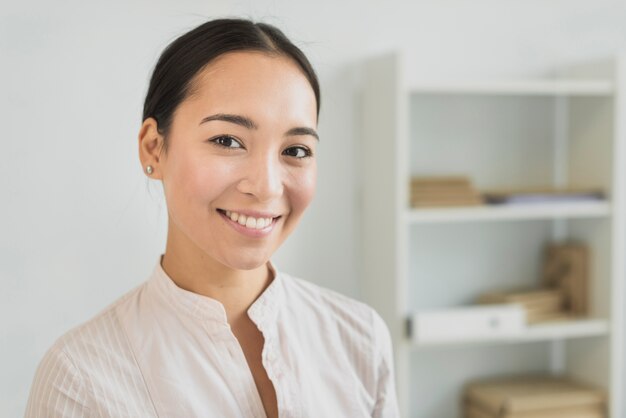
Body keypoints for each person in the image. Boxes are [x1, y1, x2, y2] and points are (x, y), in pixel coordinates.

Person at [24, 18, 399, 418]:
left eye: (296, 150)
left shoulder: (360, 339)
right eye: (227, 141)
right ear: (154, 149)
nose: (268, 186)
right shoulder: (80, 380)